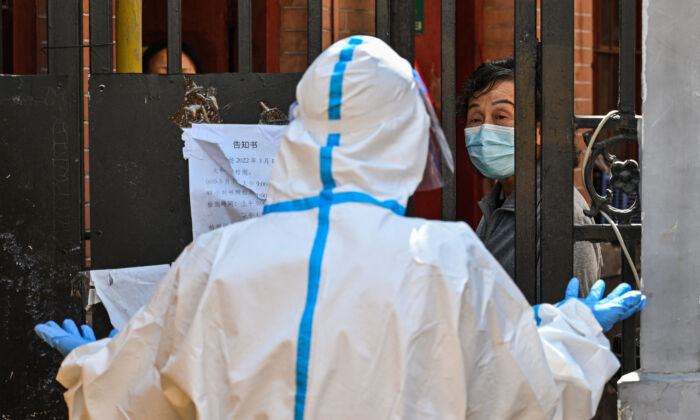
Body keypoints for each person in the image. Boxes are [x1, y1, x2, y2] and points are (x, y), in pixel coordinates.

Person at [34, 36, 645, 419]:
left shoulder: (216, 261)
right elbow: (522, 395)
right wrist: (573, 333)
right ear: (406, 138)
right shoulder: (445, 258)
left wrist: (95, 361)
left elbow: (135, 396)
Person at [461, 56, 603, 294]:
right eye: (475, 119)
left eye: (501, 117)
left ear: (539, 130)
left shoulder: (560, 214)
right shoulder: (498, 204)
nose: (485, 130)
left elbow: (572, 323)